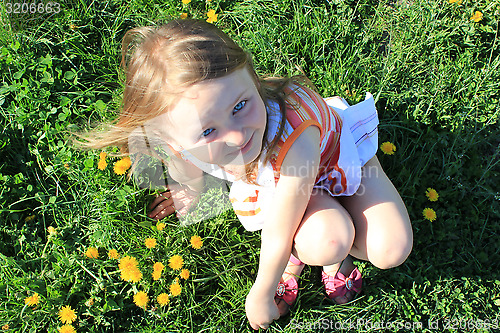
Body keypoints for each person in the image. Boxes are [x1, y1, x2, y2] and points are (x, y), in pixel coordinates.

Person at [78, 19, 413, 330]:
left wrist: (261, 294)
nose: (237, 137)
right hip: (289, 181)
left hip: (330, 156)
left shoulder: (294, 132)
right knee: (330, 240)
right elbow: (190, 166)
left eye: (240, 106)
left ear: (252, 78)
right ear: (172, 141)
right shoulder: (183, 142)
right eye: (208, 131)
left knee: (391, 249)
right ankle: (329, 254)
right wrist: (190, 191)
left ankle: (361, 172)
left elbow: (279, 231)